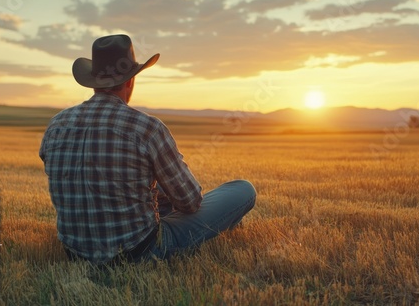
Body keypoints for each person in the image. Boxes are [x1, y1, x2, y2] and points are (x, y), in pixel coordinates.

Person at [39, 34, 256, 265]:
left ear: (93, 81)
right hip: (138, 251)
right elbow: (190, 202)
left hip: (74, 253)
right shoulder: (147, 128)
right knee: (243, 190)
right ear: (130, 81)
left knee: (157, 185)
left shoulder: (56, 124)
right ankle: (224, 228)